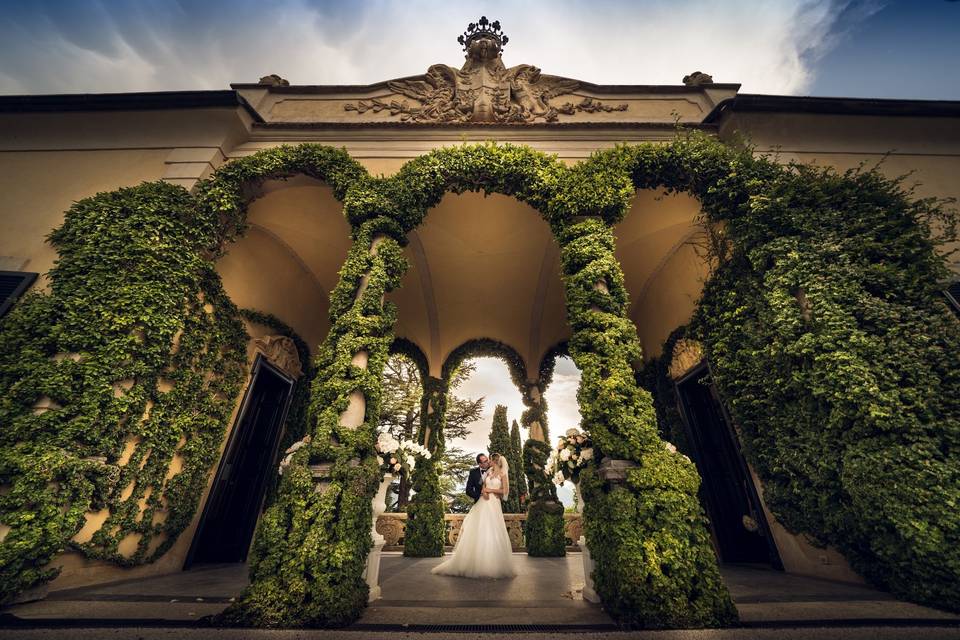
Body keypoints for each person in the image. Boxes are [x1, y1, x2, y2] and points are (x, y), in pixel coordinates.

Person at [431, 452, 516, 579]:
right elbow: (480, 487)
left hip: (494, 505)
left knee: (493, 531)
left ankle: (492, 563)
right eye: (484, 461)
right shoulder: (488, 472)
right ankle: (473, 562)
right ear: (479, 463)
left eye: (488, 460)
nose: (487, 463)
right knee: (478, 530)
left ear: (493, 461)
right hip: (482, 503)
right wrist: (483, 493)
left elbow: (505, 491)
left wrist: (490, 491)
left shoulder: (502, 473)